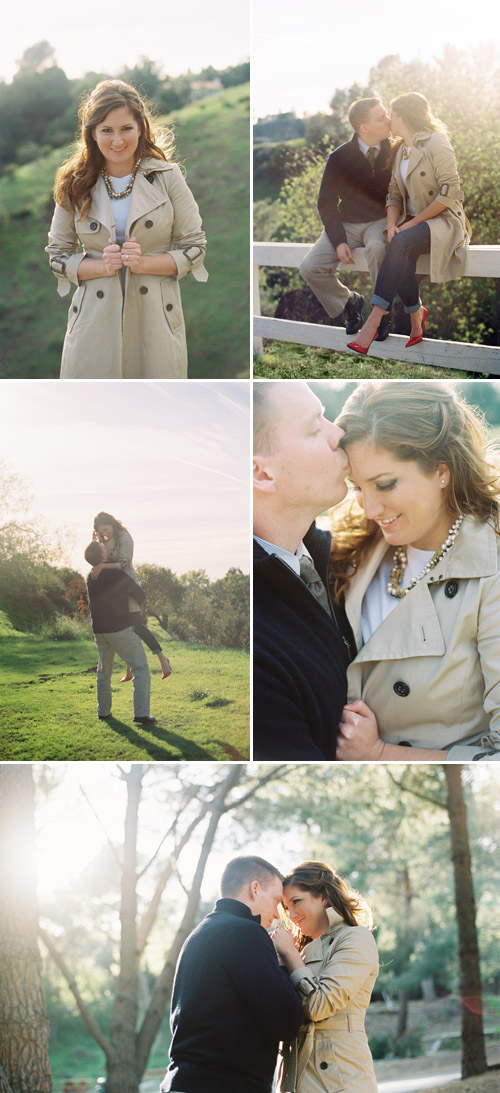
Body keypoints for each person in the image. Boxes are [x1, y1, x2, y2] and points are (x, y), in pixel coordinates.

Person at [330, 381, 500, 761]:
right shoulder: (356, 544)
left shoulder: (492, 570)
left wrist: (377, 753)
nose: (369, 508)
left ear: (442, 470)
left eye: (385, 484)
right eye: (356, 486)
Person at [46, 79, 207, 379]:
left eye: (126, 129)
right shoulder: (73, 183)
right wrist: (102, 266)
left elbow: (195, 249)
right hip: (93, 323)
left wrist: (143, 262)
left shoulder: (168, 177)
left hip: (156, 321)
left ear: (141, 128)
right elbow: (57, 256)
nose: (117, 140)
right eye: (106, 130)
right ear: (92, 133)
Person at [253, 381, 354, 760]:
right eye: (315, 428)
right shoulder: (254, 650)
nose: (338, 434)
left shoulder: (344, 559)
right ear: (261, 473)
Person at [160, 855, 303, 1093]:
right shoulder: (246, 933)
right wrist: (284, 962)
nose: (278, 914)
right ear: (255, 889)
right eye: (277, 901)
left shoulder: (198, 935)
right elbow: (286, 1023)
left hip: (179, 1083)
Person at [347, 92, 469, 354]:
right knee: (397, 245)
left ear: (405, 116)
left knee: (400, 243)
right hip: (408, 224)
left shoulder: (437, 141)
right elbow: (393, 193)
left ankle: (374, 319)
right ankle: (416, 314)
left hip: (442, 221)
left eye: (392, 113)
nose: (388, 119)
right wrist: (392, 224)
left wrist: (410, 226)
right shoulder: (400, 149)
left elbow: (450, 193)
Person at [272, 860, 379, 1093]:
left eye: (296, 902)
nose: (291, 914)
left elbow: (319, 1005)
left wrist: (289, 954)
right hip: (294, 1078)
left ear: (323, 896)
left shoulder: (355, 938)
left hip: (338, 1080)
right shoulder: (298, 952)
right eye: (286, 908)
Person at [300, 97, 393, 341]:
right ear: (365, 127)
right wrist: (339, 241)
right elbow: (326, 203)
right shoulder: (338, 158)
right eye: (382, 118)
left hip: (381, 221)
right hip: (346, 225)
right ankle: (350, 301)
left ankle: (381, 313)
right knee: (309, 268)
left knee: (376, 248)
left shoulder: (396, 151)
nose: (389, 121)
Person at [92, 511, 171, 682]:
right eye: (101, 532)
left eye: (106, 529)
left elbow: (124, 563)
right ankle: (129, 671)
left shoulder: (124, 537)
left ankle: (163, 659)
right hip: (116, 590)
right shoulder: (105, 540)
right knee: (126, 627)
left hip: (128, 586)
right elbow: (98, 556)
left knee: (136, 625)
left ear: (111, 523)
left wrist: (101, 567)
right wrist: (95, 541)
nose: (105, 533)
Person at [84, 539, 156, 726]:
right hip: (119, 628)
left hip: (99, 630)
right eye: (102, 548)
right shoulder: (116, 574)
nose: (105, 548)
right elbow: (140, 595)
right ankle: (141, 714)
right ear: (103, 556)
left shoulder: (90, 575)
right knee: (140, 668)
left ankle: (103, 711)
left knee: (104, 671)